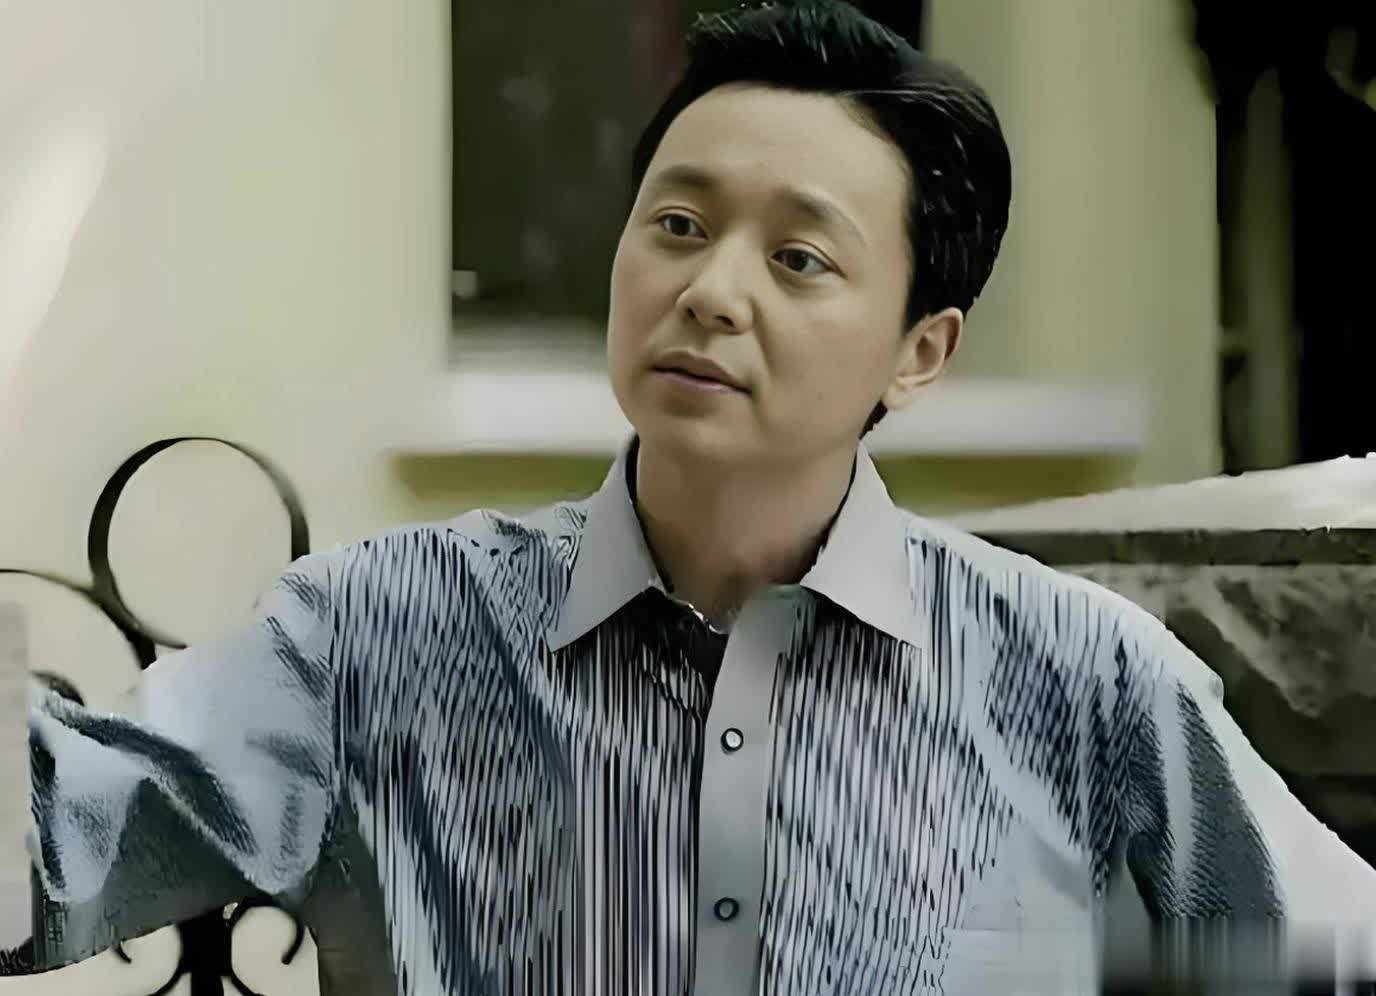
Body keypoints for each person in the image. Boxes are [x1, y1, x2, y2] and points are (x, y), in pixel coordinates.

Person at [5, 2, 1376, 993]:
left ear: (921, 351)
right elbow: (41, 859)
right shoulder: (375, 633)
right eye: (678, 224)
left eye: (799, 258)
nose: (711, 290)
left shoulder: (1083, 680)